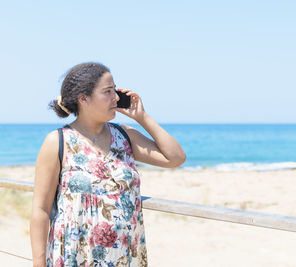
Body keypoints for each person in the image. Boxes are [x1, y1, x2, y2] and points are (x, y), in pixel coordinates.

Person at [30, 62, 186, 267]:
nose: (115, 97)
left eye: (115, 90)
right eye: (107, 91)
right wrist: (38, 263)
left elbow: (175, 158)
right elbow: (40, 210)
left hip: (125, 256)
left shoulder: (124, 135)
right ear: (84, 99)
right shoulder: (58, 141)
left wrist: (142, 117)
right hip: (74, 256)